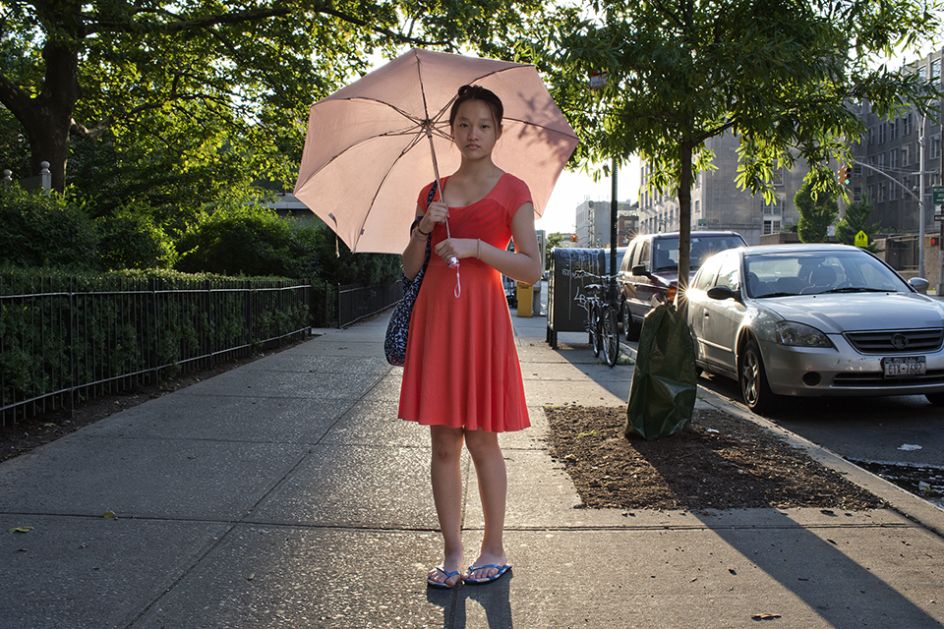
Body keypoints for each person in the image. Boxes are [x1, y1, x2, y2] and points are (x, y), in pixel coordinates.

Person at [398, 84, 543, 589]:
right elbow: (409, 268)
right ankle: (453, 551)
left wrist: (478, 247)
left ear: (498, 131)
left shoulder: (514, 190)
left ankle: (493, 547)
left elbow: (531, 268)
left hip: (482, 319)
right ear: (451, 130)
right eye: (463, 124)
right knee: (443, 442)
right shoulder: (432, 192)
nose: (473, 133)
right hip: (438, 320)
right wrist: (424, 228)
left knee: (482, 438)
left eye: (483, 125)